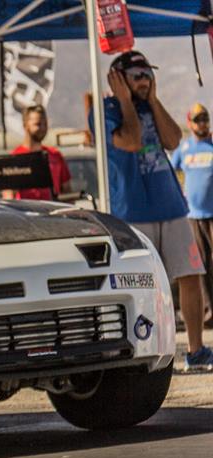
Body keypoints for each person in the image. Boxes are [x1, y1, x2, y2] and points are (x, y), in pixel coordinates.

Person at [92, 50, 212, 371]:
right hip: (133, 212)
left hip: (171, 206)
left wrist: (154, 100)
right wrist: (126, 102)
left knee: (191, 275)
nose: (145, 80)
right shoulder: (106, 111)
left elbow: (172, 140)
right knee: (140, 283)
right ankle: (143, 353)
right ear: (118, 78)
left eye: (148, 74)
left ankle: (197, 350)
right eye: (137, 76)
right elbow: (131, 141)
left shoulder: (151, 106)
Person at [170, 103, 213, 326]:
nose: (202, 123)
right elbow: (171, 171)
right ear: (190, 123)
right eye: (197, 120)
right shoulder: (184, 149)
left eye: (205, 119)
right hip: (193, 216)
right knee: (201, 264)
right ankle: (209, 310)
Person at [12, 105, 72, 200]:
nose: (43, 128)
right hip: (25, 209)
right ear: (25, 125)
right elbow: (9, 194)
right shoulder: (15, 157)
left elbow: (67, 191)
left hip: (52, 208)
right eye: (38, 124)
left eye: (45, 124)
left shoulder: (55, 155)